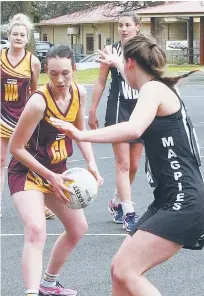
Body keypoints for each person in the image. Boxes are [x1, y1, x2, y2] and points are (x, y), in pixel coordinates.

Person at [51, 35, 204, 296]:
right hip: (168, 199)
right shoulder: (160, 85)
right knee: (118, 271)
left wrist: (81, 134)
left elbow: (133, 128)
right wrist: (116, 62)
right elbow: (132, 72)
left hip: (183, 200)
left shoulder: (153, 90)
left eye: (124, 65)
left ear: (132, 63)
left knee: (125, 271)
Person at [8, 44, 103, 296]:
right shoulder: (38, 103)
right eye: (53, 74)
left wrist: (91, 162)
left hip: (57, 174)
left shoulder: (79, 93)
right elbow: (15, 148)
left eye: (65, 73)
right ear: (46, 72)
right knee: (37, 230)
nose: (59, 79)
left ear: (74, 69)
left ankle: (48, 284)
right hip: (27, 172)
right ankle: (30, 292)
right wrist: (49, 175)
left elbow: (80, 132)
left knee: (78, 228)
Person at [88, 11, 143, 231]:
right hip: (118, 108)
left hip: (140, 109)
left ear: (137, 27)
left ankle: (116, 202)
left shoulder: (143, 50)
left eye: (127, 25)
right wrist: (92, 109)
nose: (123, 29)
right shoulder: (111, 51)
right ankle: (129, 212)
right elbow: (101, 82)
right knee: (123, 163)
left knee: (135, 165)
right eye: (120, 25)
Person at [0, 13, 55, 219]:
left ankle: (42, 204)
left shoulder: (33, 62)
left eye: (22, 34)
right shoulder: (1, 58)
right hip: (2, 115)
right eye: (15, 34)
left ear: (27, 37)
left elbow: (33, 92)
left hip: (23, 118)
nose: (18, 37)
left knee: (33, 159)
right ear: (9, 35)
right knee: (1, 160)